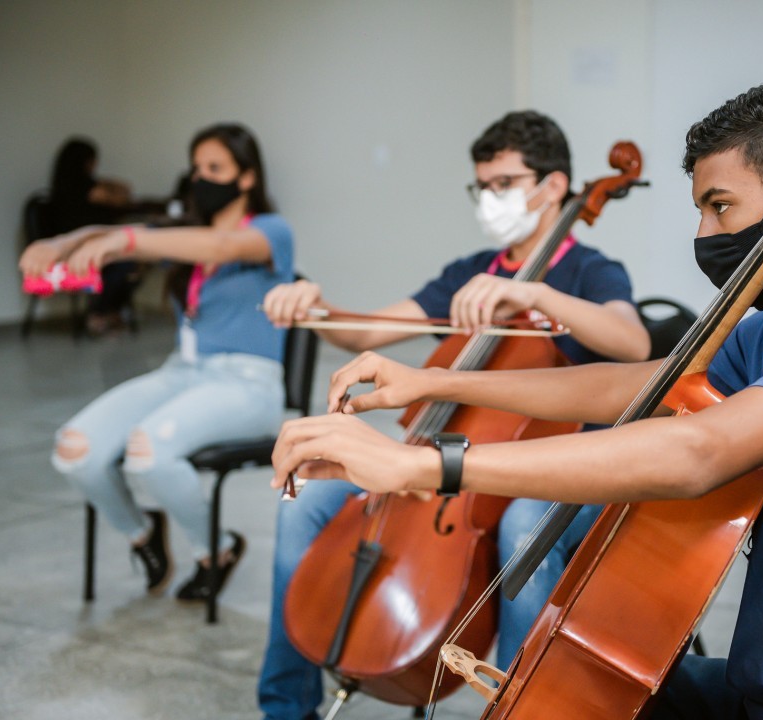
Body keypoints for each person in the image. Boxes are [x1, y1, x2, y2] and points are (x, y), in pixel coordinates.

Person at [272, 83, 763, 719]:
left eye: (720, 206)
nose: (704, 234)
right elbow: (632, 383)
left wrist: (429, 467)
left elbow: (698, 451)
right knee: (554, 688)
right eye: (699, 210)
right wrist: (436, 381)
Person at [257, 110, 650, 719]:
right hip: (450, 464)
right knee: (309, 499)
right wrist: (316, 305)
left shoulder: (589, 270)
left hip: (567, 477)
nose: (490, 200)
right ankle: (285, 706)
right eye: (482, 186)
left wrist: (536, 294)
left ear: (552, 187)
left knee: (522, 525)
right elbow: (366, 330)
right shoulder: (473, 274)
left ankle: (522, 709)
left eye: (504, 185)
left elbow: (634, 344)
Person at [20, 123, 294, 602]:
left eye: (215, 168)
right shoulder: (184, 236)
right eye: (196, 168)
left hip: (249, 385)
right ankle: (143, 534)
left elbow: (221, 247)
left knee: (148, 451)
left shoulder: (271, 232)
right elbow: (108, 229)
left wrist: (129, 243)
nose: (200, 177)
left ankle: (217, 550)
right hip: (182, 374)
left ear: (247, 178)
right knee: (75, 450)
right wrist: (59, 244)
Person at [47, 137, 141, 335]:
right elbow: (123, 195)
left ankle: (109, 310)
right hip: (79, 250)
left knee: (130, 261)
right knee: (126, 263)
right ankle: (99, 312)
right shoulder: (87, 189)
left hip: (86, 245)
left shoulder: (64, 187)